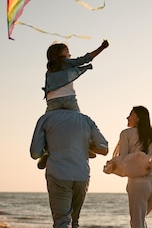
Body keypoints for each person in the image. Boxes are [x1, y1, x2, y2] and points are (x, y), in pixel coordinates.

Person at [30, 109, 108, 228]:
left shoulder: (47, 118)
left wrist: (51, 148)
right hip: (81, 175)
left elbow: (35, 152)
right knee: (74, 221)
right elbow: (103, 148)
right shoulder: (86, 120)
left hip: (59, 174)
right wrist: (83, 147)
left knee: (61, 221)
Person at [37, 40, 110, 169]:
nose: (69, 54)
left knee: (47, 126)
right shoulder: (66, 62)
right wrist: (101, 48)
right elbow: (85, 59)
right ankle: (85, 146)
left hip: (52, 101)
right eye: (67, 51)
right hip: (69, 99)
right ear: (60, 54)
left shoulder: (49, 68)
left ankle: (47, 151)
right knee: (79, 123)